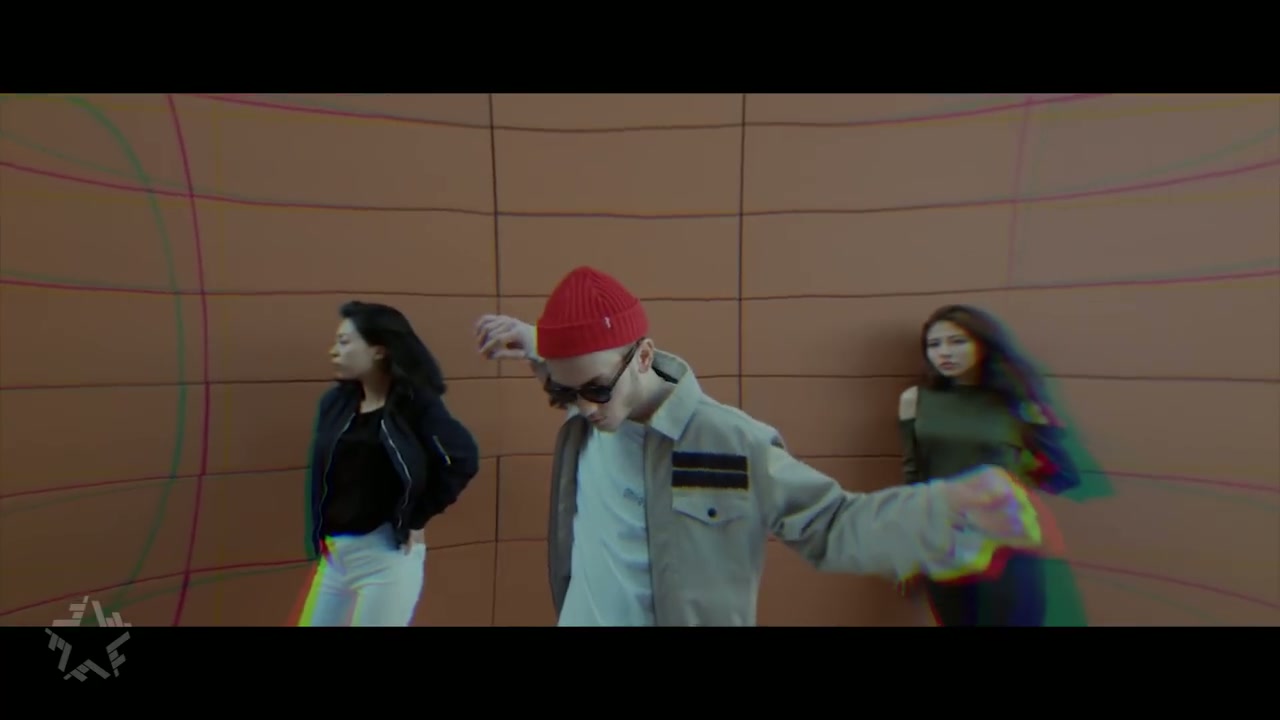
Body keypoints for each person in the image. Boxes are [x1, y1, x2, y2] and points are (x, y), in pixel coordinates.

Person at [474, 265, 1045, 627]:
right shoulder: (587, 408)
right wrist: (533, 342)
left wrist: (942, 515)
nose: (584, 408)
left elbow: (832, 524)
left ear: (644, 357)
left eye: (596, 390)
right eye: (564, 393)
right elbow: (574, 369)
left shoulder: (730, 440)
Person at [297, 301, 480, 626]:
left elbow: (462, 459)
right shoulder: (335, 403)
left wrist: (416, 516)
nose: (334, 351)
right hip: (335, 556)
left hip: (385, 556)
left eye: (344, 342)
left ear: (379, 350)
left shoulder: (415, 405)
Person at [897, 304, 1081, 627]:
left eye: (957, 341)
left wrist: (1043, 434)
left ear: (983, 344)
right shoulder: (915, 400)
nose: (944, 352)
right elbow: (914, 476)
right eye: (934, 344)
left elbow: (1063, 476)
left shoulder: (1016, 402)